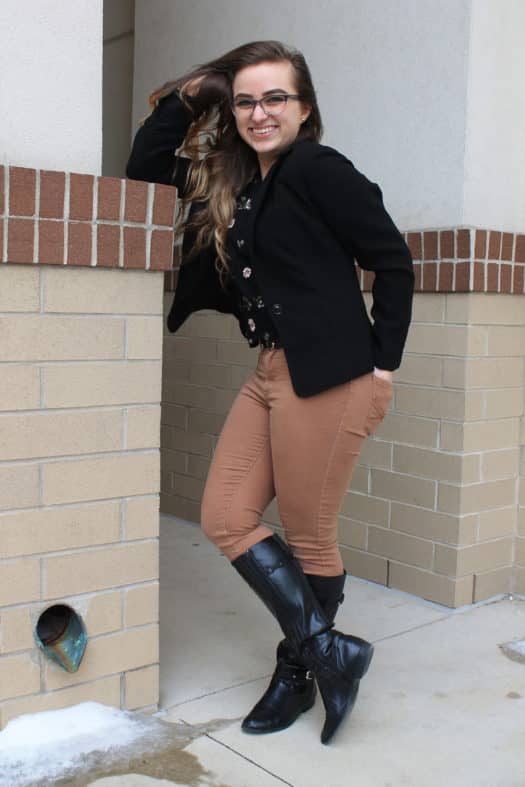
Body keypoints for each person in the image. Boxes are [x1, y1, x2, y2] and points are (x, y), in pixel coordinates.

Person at [127, 40, 414, 745]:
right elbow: (142, 174)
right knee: (226, 514)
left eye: (275, 98)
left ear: (304, 107)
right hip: (272, 371)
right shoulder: (243, 184)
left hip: (333, 377)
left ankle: (296, 673)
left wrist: (382, 369)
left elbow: (393, 264)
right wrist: (196, 93)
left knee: (311, 537)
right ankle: (330, 652)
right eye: (246, 100)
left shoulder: (319, 168)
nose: (259, 113)